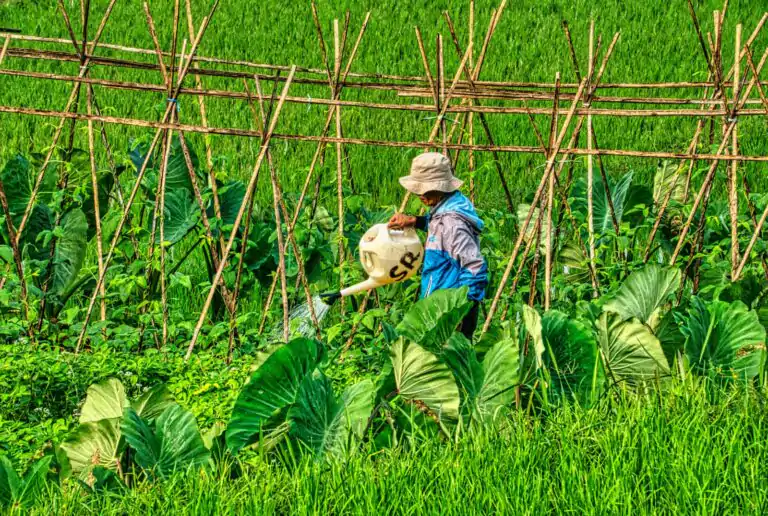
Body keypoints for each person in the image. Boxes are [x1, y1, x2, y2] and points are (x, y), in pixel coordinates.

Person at [388, 152, 488, 340]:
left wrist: (459, 312)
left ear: (440, 187)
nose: (420, 194)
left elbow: (475, 268)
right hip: (439, 310)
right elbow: (441, 232)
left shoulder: (452, 223)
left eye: (425, 189)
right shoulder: (446, 209)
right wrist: (415, 221)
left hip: (448, 315)